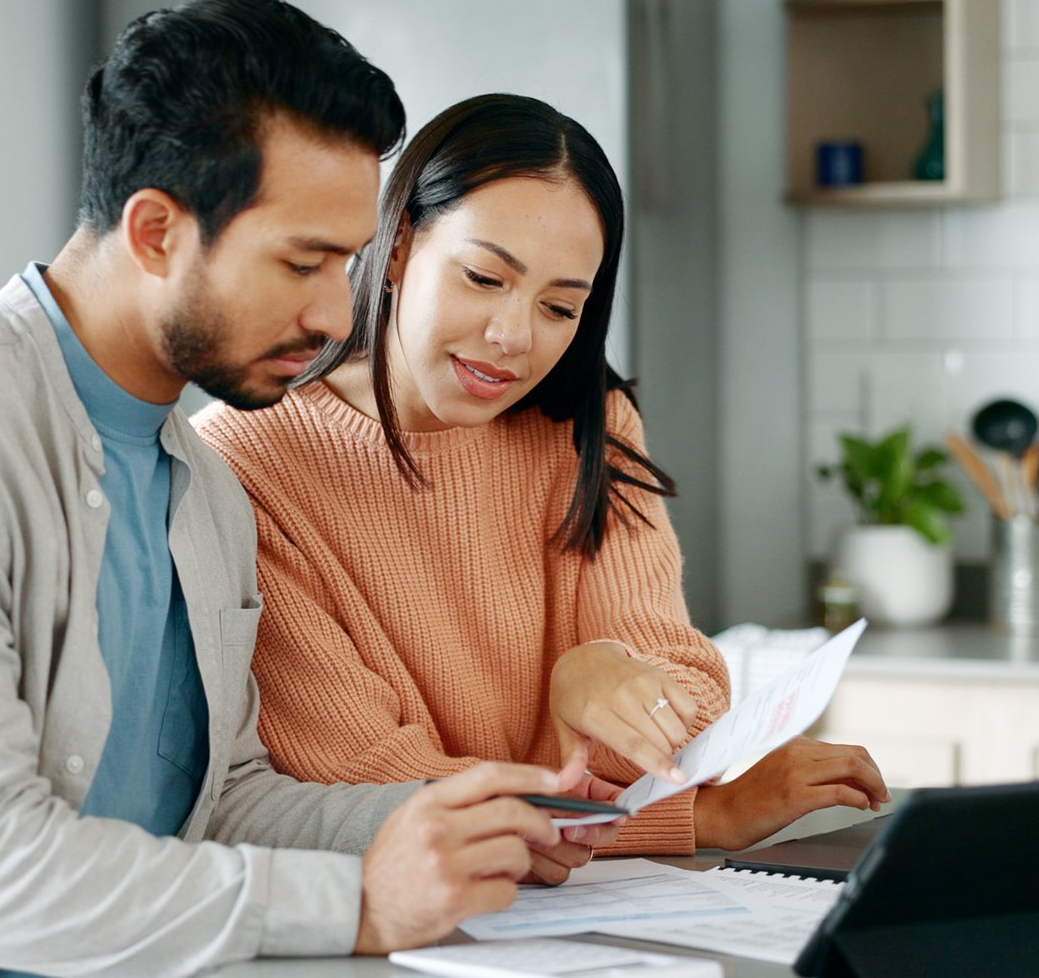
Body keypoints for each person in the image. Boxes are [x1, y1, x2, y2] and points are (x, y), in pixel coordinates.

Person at [0, 0, 606, 978]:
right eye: (302, 262)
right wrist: (358, 901)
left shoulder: (202, 482)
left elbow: (225, 801)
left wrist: (459, 822)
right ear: (158, 230)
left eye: (348, 264)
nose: (336, 311)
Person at [196, 94, 890, 862]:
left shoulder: (589, 422)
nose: (513, 338)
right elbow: (361, 775)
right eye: (484, 278)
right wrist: (691, 819)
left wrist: (601, 677)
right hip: (396, 915)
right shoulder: (244, 464)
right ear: (394, 251)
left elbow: (688, 702)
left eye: (561, 308)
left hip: (570, 905)